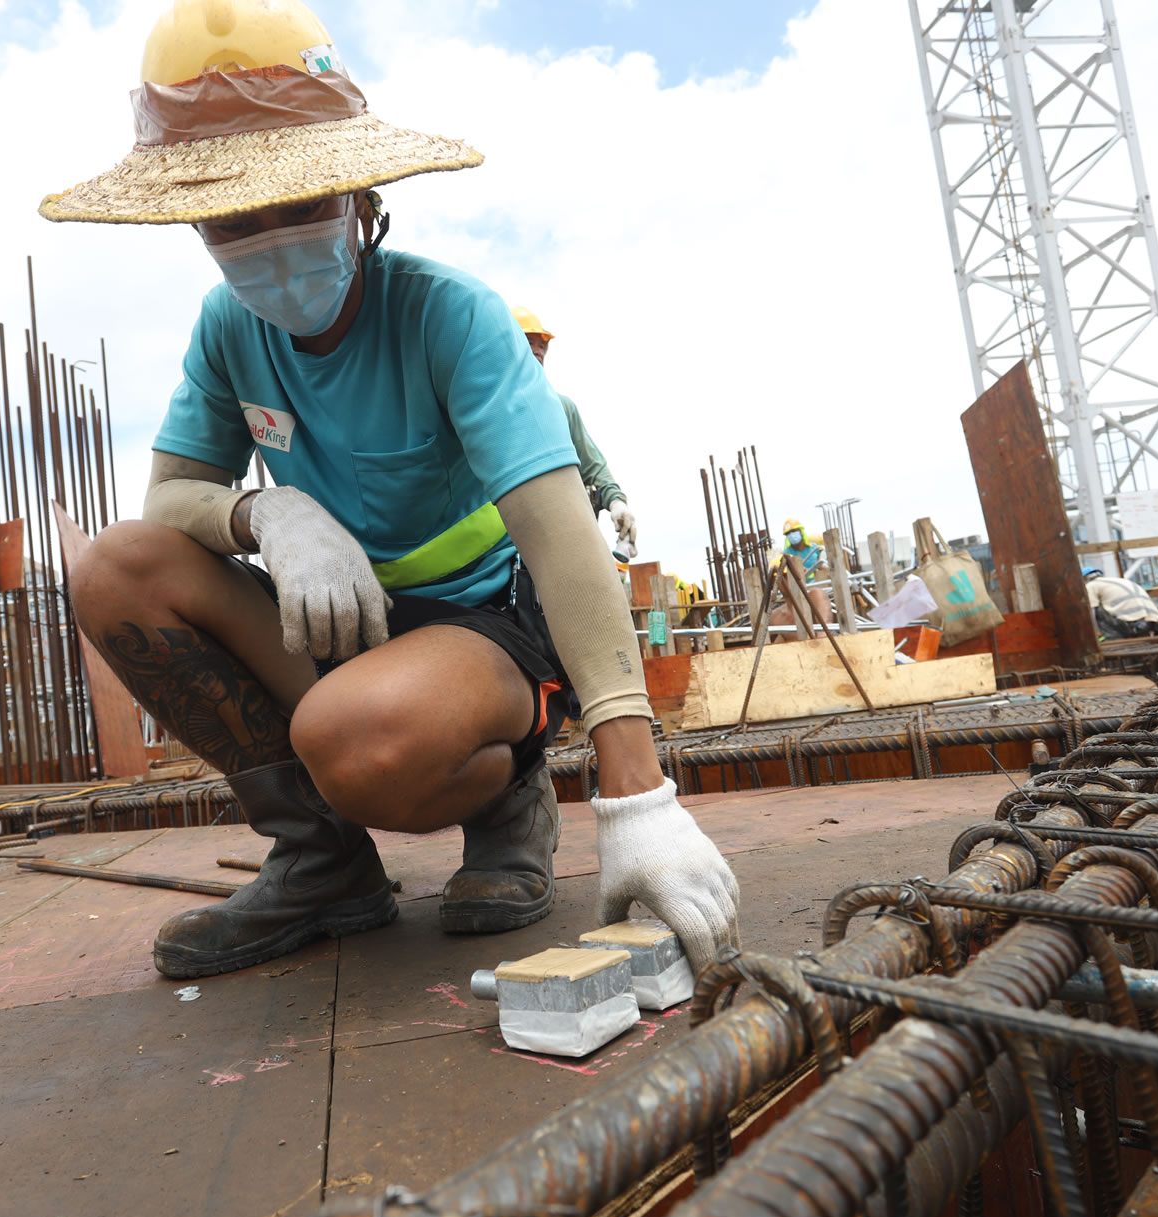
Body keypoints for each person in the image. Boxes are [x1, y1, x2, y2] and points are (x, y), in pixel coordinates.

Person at [39, 0, 738, 980]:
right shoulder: (227, 330)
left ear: (362, 199)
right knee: (117, 568)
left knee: (358, 741)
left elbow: (558, 530)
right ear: (195, 224)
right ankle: (322, 862)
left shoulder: (451, 316)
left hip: (480, 627)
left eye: (302, 204)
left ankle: (511, 800)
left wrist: (637, 797)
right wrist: (267, 511)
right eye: (237, 219)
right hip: (337, 620)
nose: (272, 238)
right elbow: (168, 502)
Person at [511, 307, 637, 558]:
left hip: (557, 538)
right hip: (507, 540)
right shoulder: (489, 407)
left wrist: (616, 502)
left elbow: (593, 466)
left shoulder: (561, 408)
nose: (537, 351)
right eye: (529, 342)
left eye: (541, 346)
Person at [767, 519, 833, 639]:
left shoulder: (816, 597)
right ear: (775, 582)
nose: (789, 581)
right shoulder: (775, 617)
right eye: (784, 577)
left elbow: (824, 634)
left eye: (793, 575)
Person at [1083, 568, 1158, 639]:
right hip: (1155, 623)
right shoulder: (1120, 581)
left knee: (1094, 608)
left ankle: (1113, 638)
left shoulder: (1090, 585)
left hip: (1130, 624)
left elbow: (1092, 612)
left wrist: (1095, 633)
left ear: (1084, 580)